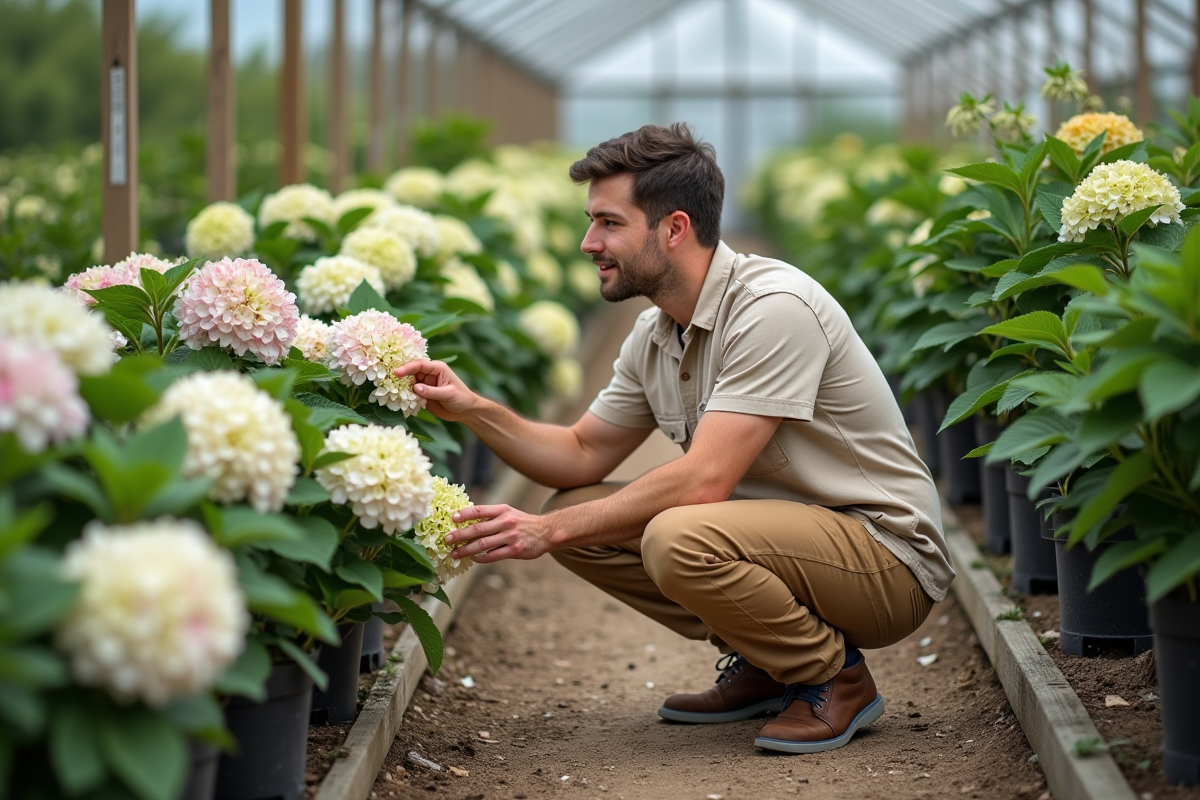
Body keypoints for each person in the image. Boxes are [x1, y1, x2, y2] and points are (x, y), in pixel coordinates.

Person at [393, 122, 954, 754]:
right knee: (576, 512)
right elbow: (579, 454)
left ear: (674, 228)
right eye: (590, 222)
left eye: (608, 223)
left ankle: (835, 679)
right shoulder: (657, 332)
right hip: (792, 544)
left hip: (884, 558)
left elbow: (704, 481)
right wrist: (472, 408)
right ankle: (769, 662)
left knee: (670, 534)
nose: (587, 242)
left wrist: (544, 534)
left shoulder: (773, 307)